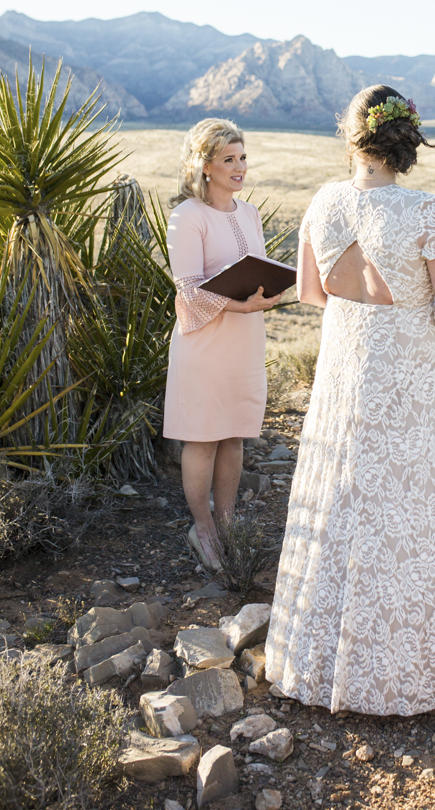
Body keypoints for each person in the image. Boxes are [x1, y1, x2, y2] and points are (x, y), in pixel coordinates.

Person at [265, 86, 435, 716]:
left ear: (353, 138)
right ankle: (407, 667)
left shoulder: (324, 202)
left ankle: (321, 662)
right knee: (418, 502)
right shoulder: (427, 214)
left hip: (345, 368)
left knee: (342, 497)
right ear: (407, 143)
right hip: (408, 373)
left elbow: (311, 294)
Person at [163, 118, 281, 572]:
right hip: (204, 345)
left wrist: (267, 294)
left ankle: (228, 523)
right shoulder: (187, 216)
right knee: (204, 438)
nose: (239, 167)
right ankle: (203, 529)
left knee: (234, 435)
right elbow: (188, 291)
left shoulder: (249, 214)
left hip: (245, 343)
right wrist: (241, 305)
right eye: (228, 159)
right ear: (205, 166)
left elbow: (257, 272)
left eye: (243, 157)